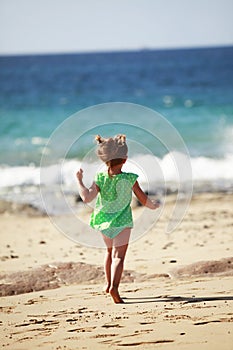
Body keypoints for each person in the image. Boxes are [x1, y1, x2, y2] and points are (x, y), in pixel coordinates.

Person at [76, 134, 160, 303]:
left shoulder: (100, 178)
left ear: (104, 159)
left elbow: (86, 198)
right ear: (125, 159)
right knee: (118, 257)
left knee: (109, 253)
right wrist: (154, 205)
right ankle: (114, 287)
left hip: (103, 222)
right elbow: (143, 200)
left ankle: (108, 284)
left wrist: (79, 181)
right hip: (122, 222)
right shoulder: (129, 179)